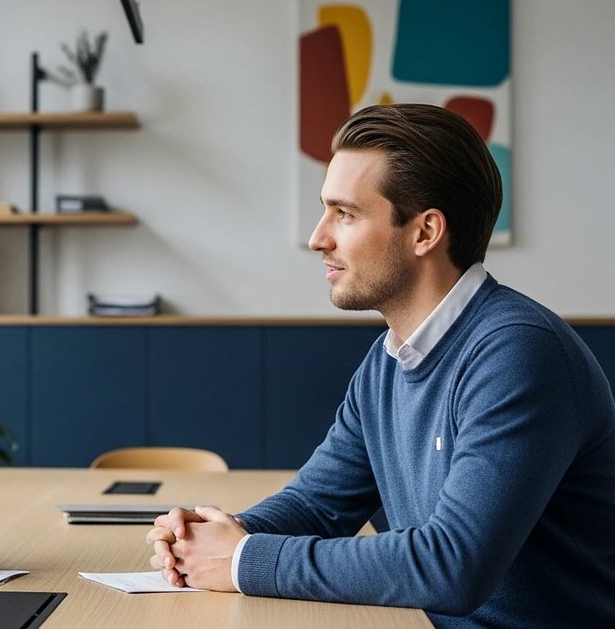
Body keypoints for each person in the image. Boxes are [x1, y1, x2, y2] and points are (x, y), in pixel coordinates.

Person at [147, 104, 615, 627]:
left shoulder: (518, 352)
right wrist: (211, 535)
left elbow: (452, 566)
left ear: (424, 232)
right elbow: (319, 506)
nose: (317, 238)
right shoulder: (390, 358)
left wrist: (241, 559)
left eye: (344, 213)